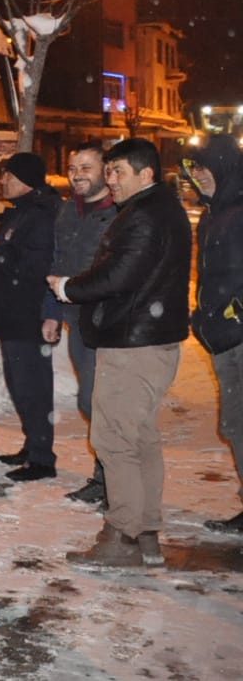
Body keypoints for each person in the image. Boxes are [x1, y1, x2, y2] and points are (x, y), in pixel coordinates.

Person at [48, 137, 191, 568]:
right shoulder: (156, 209)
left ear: (145, 174)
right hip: (145, 337)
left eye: (118, 172)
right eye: (107, 172)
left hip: (133, 342)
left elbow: (120, 276)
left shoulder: (145, 216)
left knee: (115, 440)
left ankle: (122, 537)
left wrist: (68, 288)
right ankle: (144, 533)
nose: (110, 181)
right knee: (140, 438)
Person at [41, 142, 118, 505]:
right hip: (76, 318)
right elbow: (56, 261)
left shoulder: (120, 211)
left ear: (105, 170)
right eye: (73, 167)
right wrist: (52, 312)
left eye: (86, 167)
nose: (78, 174)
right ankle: (105, 477)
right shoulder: (66, 210)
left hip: (110, 322)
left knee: (106, 403)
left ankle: (116, 482)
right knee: (89, 402)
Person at [0, 152, 60, 481]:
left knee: (33, 387)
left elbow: (34, 266)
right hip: (14, 314)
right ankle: (33, 445)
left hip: (28, 315)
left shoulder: (41, 215)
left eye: (9, 176)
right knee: (19, 383)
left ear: (25, 180)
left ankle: (42, 460)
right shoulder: (22, 212)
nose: (3, 181)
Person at [181, 134, 243, 534]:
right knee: (235, 426)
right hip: (222, 336)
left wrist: (235, 313)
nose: (198, 176)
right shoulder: (212, 213)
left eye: (204, 167)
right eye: (193, 169)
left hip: (236, 331)